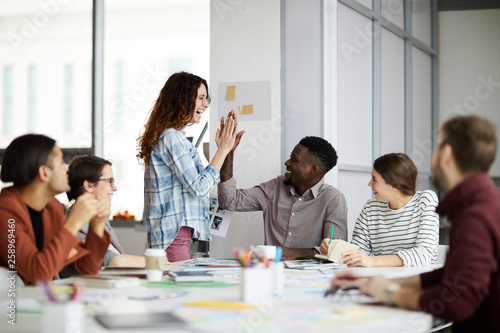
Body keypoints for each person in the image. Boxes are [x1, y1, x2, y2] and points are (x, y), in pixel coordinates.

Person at [331, 115, 500, 332]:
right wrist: (384, 283)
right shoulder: (487, 202)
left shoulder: (475, 215)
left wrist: (389, 293)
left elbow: (456, 302)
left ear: (446, 154)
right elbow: (450, 274)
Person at [137, 72, 241, 262]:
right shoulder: (171, 137)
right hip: (173, 237)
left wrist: (224, 150)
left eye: (206, 98)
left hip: (177, 236)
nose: (206, 104)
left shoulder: (176, 138)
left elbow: (200, 183)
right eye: (201, 98)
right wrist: (222, 151)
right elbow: (200, 188)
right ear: (182, 100)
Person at [218, 129, 348, 260]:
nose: (287, 162)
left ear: (312, 170)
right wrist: (227, 152)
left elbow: (336, 252)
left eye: (294, 159)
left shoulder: (333, 199)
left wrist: (296, 253)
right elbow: (229, 201)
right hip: (271, 271)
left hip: (309, 277)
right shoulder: (275, 187)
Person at [0, 134, 111, 285]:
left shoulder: (51, 207)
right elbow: (38, 273)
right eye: (61, 163)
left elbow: (86, 268)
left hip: (40, 301)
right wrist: (73, 222)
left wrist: (97, 224)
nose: (67, 169)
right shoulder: (4, 212)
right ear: (44, 172)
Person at [320, 153, 439, 267]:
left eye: (374, 179)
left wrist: (372, 261)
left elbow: (424, 254)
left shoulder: (425, 200)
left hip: (418, 282)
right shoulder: (371, 207)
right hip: (381, 280)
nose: (369, 184)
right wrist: (334, 250)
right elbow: (358, 253)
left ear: (394, 183)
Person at [66, 155, 150, 267]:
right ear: (89, 185)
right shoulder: (74, 224)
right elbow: (111, 261)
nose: (114, 188)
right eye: (110, 181)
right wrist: (154, 262)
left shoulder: (98, 218)